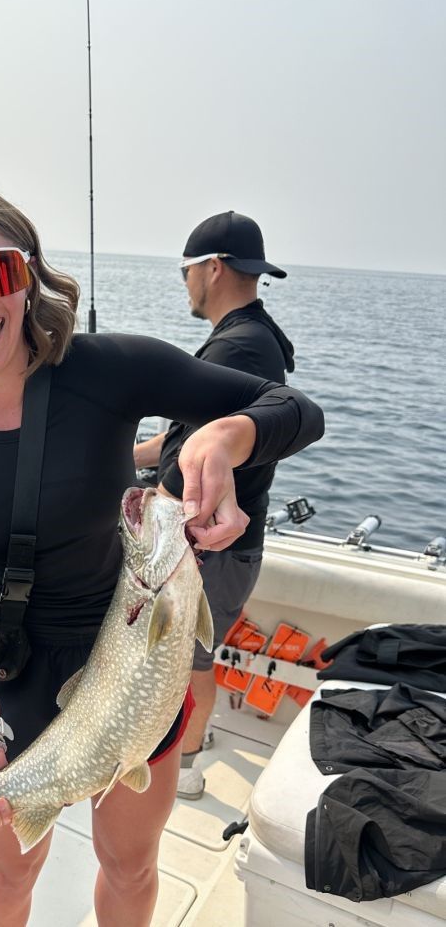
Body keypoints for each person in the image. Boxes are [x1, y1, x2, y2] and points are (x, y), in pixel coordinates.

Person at [0, 182, 323, 927]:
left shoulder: (109, 369)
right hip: (19, 664)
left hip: (140, 653)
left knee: (129, 862)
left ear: (29, 274)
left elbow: (297, 412)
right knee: (10, 870)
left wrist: (224, 433)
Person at [133, 210, 296, 801]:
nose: (186, 284)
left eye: (186, 272)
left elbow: (205, 456)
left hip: (211, 549)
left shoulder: (242, 349)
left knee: (192, 661)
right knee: (186, 656)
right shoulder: (245, 339)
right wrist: (125, 454)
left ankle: (187, 763)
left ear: (212, 268)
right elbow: (184, 439)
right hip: (209, 546)